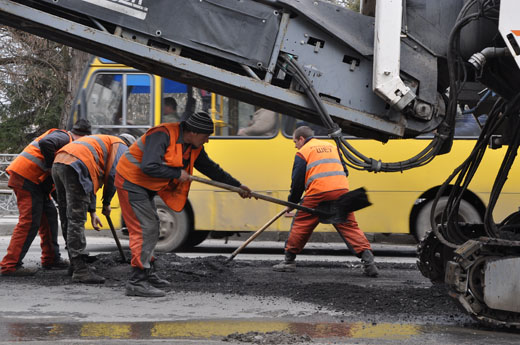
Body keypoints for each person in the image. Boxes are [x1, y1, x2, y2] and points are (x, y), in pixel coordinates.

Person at [116, 111, 252, 297]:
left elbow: (210, 168)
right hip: (131, 182)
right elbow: (149, 166)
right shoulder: (161, 135)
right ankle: (137, 282)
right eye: (206, 136)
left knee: (152, 227)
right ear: (194, 133)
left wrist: (236, 186)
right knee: (145, 229)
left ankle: (147, 272)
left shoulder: (193, 146)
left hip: (146, 185)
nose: (207, 141)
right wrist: (176, 173)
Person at [273, 126, 379, 277]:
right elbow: (345, 171)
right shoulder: (331, 146)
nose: (295, 145)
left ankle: (288, 262)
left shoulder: (303, 152)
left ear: (302, 139)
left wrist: (292, 203)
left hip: (318, 192)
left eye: (295, 142)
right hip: (341, 190)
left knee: (301, 223)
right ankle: (369, 263)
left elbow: (297, 182)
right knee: (349, 226)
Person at [0, 119, 92, 276]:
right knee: (29, 222)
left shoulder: (67, 143)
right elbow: (45, 143)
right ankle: (10, 266)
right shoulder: (64, 137)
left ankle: (51, 259)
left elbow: (58, 184)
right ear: (82, 137)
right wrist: (51, 168)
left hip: (36, 184)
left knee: (50, 216)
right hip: (27, 178)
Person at [51, 133, 136, 284]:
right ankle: (80, 270)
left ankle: (75, 263)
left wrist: (92, 211)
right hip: (75, 165)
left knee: (67, 216)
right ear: (129, 145)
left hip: (59, 162)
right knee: (76, 219)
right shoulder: (121, 146)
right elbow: (113, 175)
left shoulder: (103, 144)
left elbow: (91, 183)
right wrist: (106, 203)